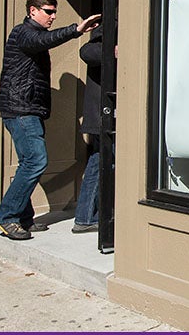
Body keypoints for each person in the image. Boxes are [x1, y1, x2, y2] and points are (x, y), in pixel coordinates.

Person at [0, 0, 101, 240]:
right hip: (21, 111)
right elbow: (43, 41)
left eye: (55, 12)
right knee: (36, 162)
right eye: (48, 11)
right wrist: (76, 29)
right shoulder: (24, 33)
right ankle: (6, 217)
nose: (53, 16)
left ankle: (22, 218)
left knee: (28, 163)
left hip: (27, 110)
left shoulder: (33, 35)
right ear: (33, 11)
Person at [71, 24, 113, 233]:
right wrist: (114, 50)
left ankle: (88, 216)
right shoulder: (110, 26)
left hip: (108, 116)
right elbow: (86, 52)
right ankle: (86, 217)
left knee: (101, 162)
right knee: (101, 162)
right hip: (104, 116)